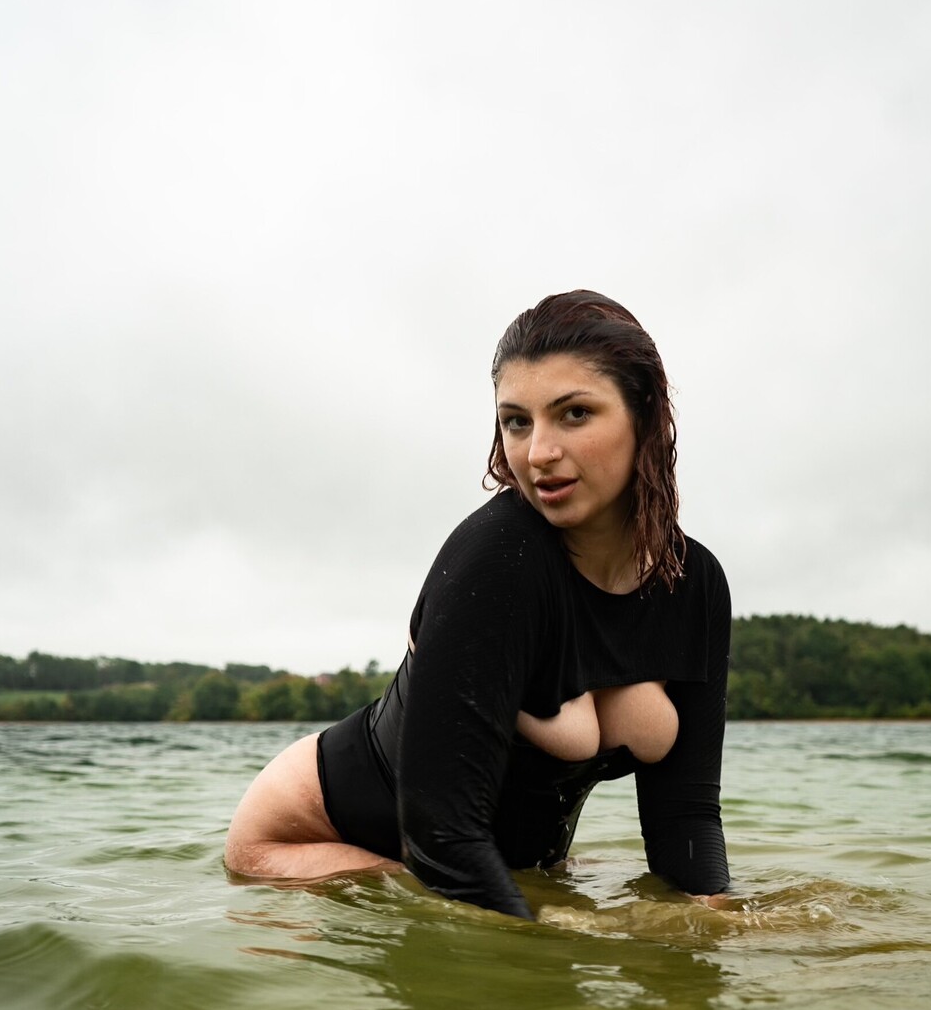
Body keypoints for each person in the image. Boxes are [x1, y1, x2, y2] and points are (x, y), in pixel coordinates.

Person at [225, 290, 731, 921]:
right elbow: (441, 837)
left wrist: (719, 925)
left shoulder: (692, 583)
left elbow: (685, 817)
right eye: (517, 421)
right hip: (309, 840)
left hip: (487, 857)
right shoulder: (498, 558)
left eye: (574, 413)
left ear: (645, 414)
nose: (538, 453)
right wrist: (554, 936)